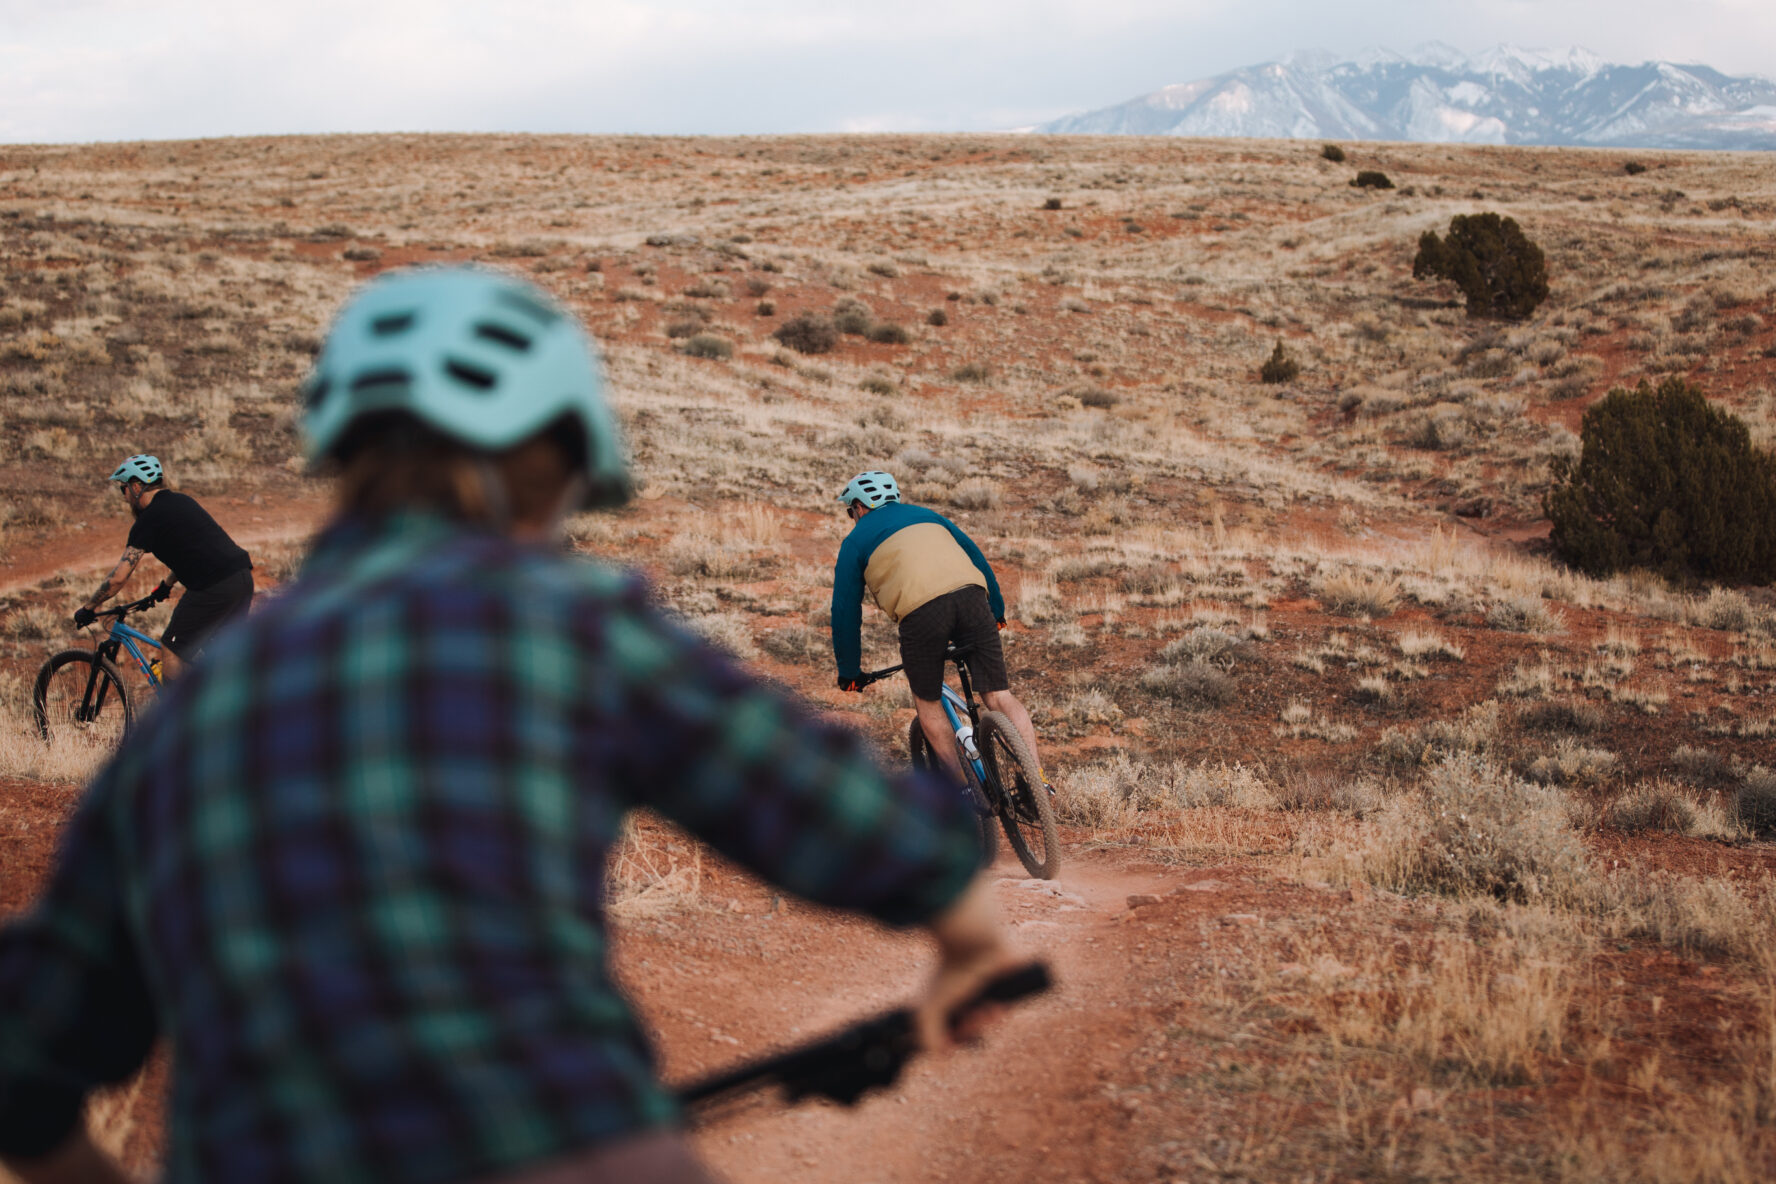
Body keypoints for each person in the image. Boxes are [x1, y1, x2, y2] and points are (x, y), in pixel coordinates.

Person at [0, 267, 1013, 1184]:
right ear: (563, 462)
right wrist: (964, 939)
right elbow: (828, 804)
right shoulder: (567, 628)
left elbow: (31, 1058)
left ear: (347, 451)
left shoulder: (196, 710)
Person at [830, 470, 1046, 791]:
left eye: (851, 512)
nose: (852, 518)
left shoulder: (856, 540)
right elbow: (978, 560)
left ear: (859, 507)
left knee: (928, 704)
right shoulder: (929, 516)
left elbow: (845, 610)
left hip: (922, 612)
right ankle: (1038, 780)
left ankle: (967, 790)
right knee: (999, 696)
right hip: (974, 598)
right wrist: (996, 612)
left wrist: (849, 671)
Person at [73, 454, 254, 680]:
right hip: (241, 578)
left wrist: (89, 608)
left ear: (136, 486)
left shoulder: (148, 520)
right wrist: (165, 586)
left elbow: (118, 578)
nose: (124, 496)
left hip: (213, 586)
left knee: (172, 651)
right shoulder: (181, 502)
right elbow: (196, 552)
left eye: (124, 489)